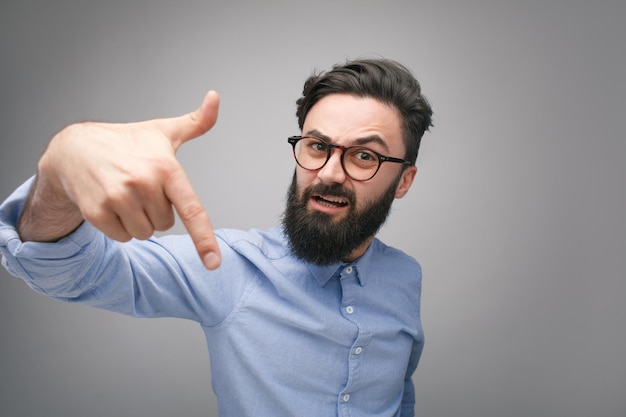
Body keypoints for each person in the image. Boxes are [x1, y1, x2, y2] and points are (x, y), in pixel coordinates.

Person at [0, 58, 433, 417]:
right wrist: (58, 172)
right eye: (317, 146)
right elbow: (68, 270)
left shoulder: (404, 278)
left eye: (364, 156)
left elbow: (398, 397)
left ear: (404, 180)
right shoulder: (230, 267)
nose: (329, 173)